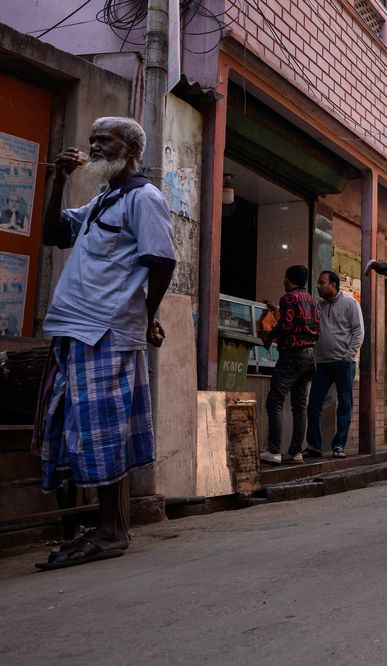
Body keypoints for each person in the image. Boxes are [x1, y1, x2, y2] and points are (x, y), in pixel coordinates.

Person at [34, 117, 175, 570]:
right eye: (93, 138)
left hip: (106, 328)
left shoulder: (144, 197)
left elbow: (161, 261)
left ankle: (112, 530)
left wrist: (148, 318)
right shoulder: (102, 201)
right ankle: (104, 527)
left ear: (130, 149)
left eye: (105, 139)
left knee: (102, 432)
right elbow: (53, 235)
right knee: (82, 429)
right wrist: (58, 180)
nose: (94, 145)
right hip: (75, 326)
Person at [258, 265, 320, 465]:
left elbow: (286, 326)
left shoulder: (288, 299)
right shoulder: (312, 301)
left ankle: (274, 451)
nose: (283, 281)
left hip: (291, 356)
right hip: (310, 356)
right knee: (300, 406)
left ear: (289, 279)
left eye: (285, 278)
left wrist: (270, 333)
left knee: (275, 400)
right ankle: (295, 452)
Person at [304, 270, 363, 459]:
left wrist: (348, 356)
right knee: (314, 403)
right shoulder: (318, 306)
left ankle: (338, 445)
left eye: (322, 283)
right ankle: (314, 446)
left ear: (334, 284)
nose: (318, 286)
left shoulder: (350, 304)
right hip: (322, 363)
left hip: (344, 364)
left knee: (344, 404)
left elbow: (358, 331)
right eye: (318, 283)